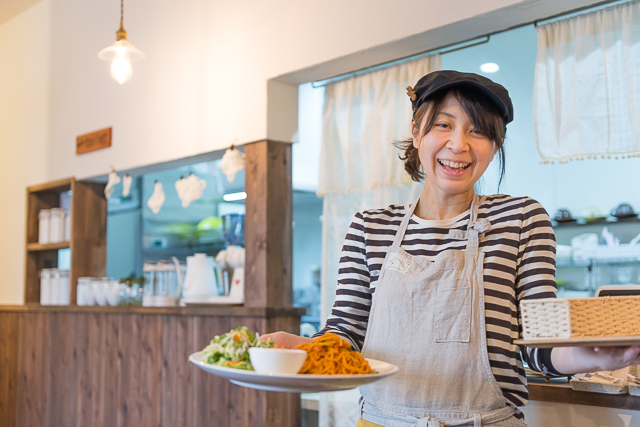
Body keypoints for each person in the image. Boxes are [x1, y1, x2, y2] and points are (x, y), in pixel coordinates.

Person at [263, 70, 640, 427]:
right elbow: (345, 333)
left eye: (478, 131)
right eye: (443, 125)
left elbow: (540, 345)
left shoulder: (522, 218)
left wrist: (593, 356)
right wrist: (298, 347)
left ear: (495, 147)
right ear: (416, 133)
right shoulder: (370, 227)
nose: (458, 144)